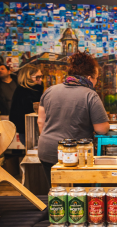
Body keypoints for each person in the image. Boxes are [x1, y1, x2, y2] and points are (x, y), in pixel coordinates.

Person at [37, 51, 109, 187]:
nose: (96, 82)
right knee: (79, 196)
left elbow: (40, 121)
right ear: (89, 77)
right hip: (76, 154)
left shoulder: (50, 91)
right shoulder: (90, 95)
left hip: (47, 150)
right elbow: (101, 129)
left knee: (56, 193)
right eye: (96, 78)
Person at [9, 65, 44, 146]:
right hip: (29, 131)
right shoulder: (26, 92)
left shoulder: (30, 90)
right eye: (38, 77)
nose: (41, 79)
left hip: (29, 130)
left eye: (41, 76)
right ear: (28, 77)